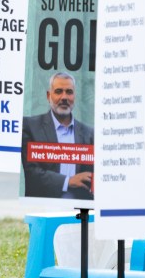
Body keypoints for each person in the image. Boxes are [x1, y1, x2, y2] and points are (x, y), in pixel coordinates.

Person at [21, 72, 94, 200]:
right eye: (59, 91)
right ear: (49, 96)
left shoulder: (89, 133)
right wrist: (68, 181)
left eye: (69, 92)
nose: (64, 97)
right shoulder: (30, 126)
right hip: (44, 202)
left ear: (74, 96)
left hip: (79, 205)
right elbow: (31, 173)